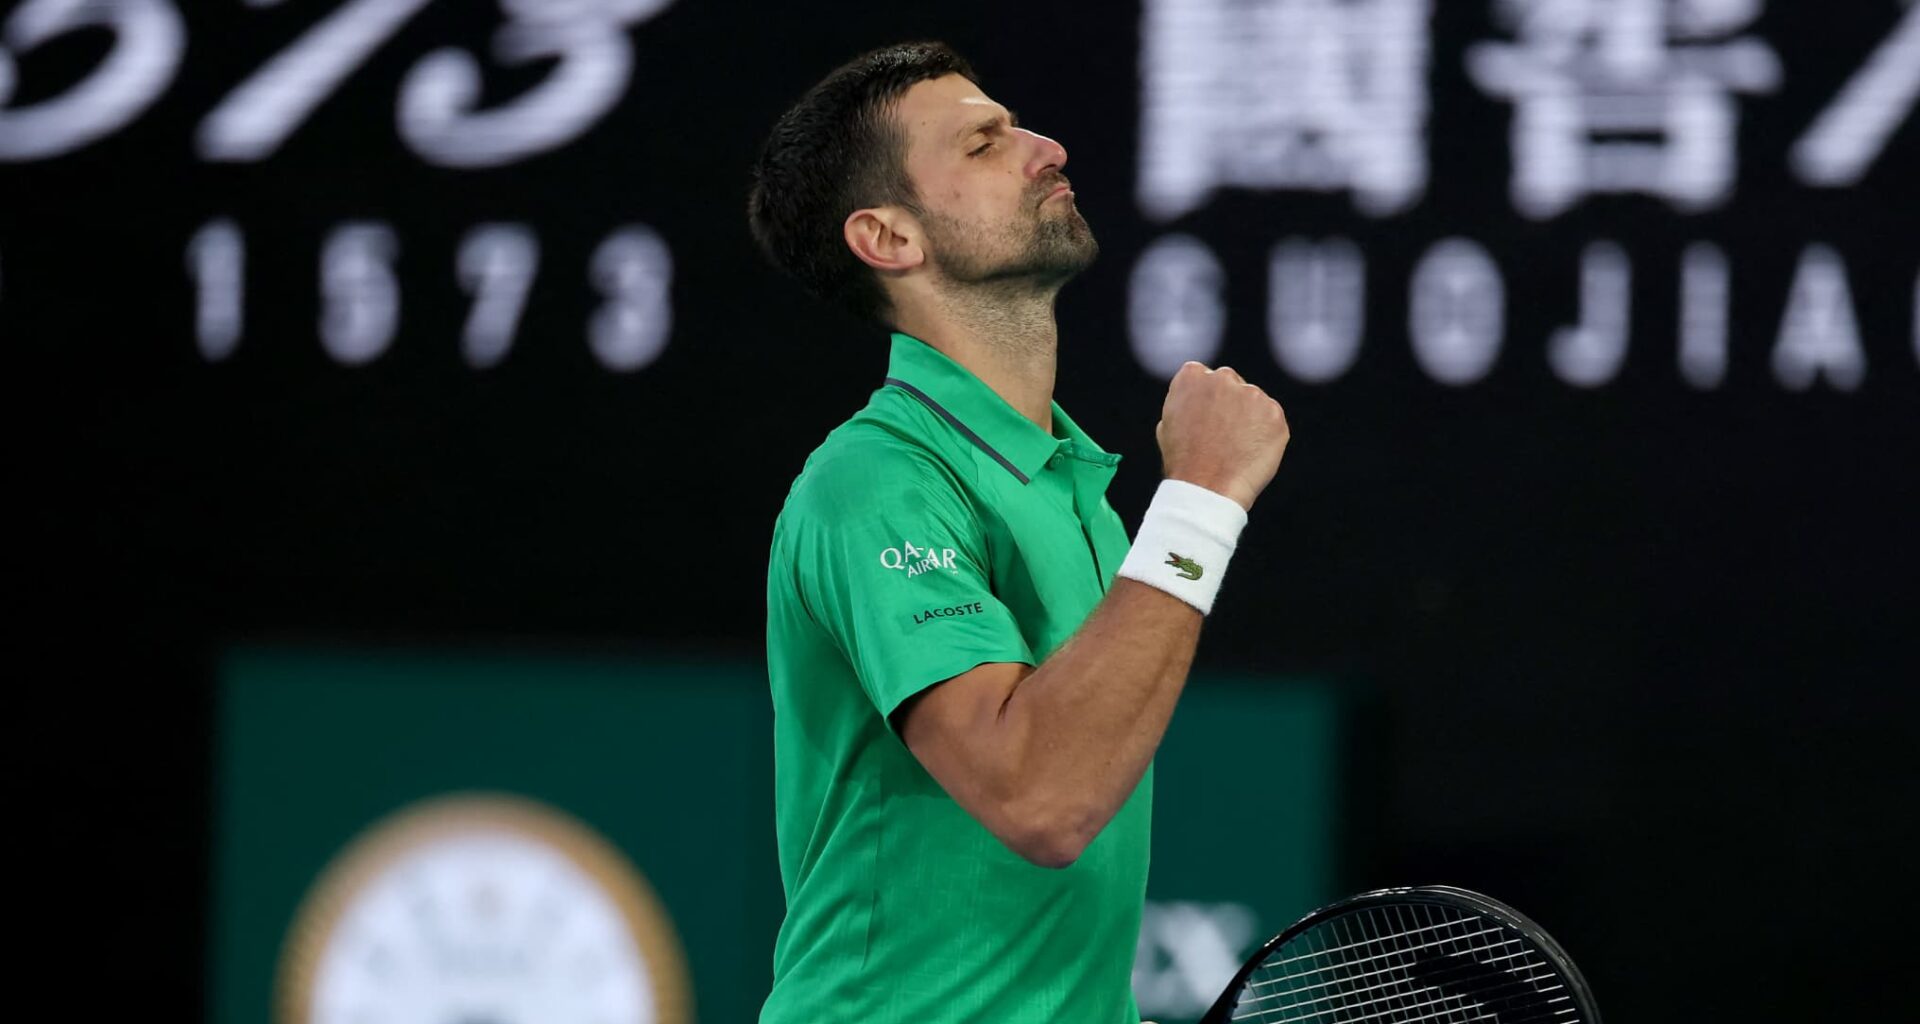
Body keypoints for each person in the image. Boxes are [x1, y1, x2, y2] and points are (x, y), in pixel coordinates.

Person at [746, 41, 1291, 1024]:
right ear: (890, 238)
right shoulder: (876, 482)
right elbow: (1040, 798)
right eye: (984, 144)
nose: (1045, 148)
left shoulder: (1069, 487)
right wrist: (1203, 499)